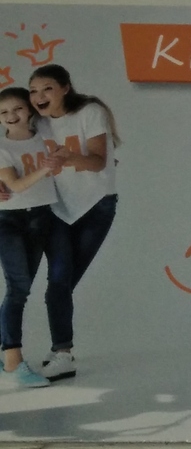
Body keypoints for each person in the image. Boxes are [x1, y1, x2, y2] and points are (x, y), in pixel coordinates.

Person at [29, 64, 120, 380]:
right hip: (56, 209)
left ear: (65, 88)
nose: (40, 96)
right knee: (58, 281)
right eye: (34, 91)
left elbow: (97, 161)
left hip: (96, 206)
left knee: (62, 284)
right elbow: (14, 152)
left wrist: (69, 157)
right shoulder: (37, 123)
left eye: (47, 88)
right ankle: (63, 352)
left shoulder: (90, 112)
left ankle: (60, 351)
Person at [0, 86, 61, 389]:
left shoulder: (45, 136)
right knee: (18, 288)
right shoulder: (1, 146)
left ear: (30, 109)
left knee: (22, 289)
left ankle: (7, 356)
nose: (11, 116)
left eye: (18, 108)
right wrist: (47, 168)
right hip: (9, 220)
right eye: (3, 112)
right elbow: (16, 186)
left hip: (41, 217)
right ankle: (13, 360)